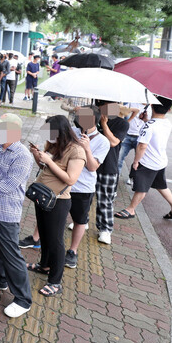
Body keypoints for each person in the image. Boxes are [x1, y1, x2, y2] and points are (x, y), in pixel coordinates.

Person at [0, 113, 33, 318]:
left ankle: (23, 299)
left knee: (11, 255)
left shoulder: (22, 155)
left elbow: (9, 185)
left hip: (6, 210)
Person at [26, 115, 85, 297]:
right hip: (42, 195)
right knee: (43, 234)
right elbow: (45, 168)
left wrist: (49, 160)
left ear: (60, 131)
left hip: (58, 201)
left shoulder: (76, 151)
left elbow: (71, 179)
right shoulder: (53, 144)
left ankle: (55, 281)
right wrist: (38, 156)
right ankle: (44, 265)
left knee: (56, 240)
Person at [64, 106, 110, 269]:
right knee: (54, 216)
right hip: (65, 183)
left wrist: (87, 148)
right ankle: (41, 241)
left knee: (79, 220)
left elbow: (92, 167)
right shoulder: (72, 132)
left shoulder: (103, 141)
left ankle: (73, 251)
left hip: (83, 188)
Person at [116, 97, 172, 220]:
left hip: (149, 162)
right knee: (161, 186)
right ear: (168, 110)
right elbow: (155, 127)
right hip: (161, 160)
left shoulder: (149, 125)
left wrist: (136, 161)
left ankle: (130, 210)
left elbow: (142, 146)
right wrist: (147, 120)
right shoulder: (167, 123)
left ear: (151, 105)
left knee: (142, 186)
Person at [94, 100, 130, 244]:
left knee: (106, 201)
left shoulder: (122, 123)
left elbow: (114, 142)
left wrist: (103, 124)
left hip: (108, 167)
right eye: (106, 104)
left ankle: (106, 229)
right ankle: (81, 222)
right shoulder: (92, 117)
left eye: (114, 103)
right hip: (90, 164)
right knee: (84, 198)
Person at [117, 102, 149, 181]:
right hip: (127, 135)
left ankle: (132, 178)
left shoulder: (151, 108)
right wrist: (128, 120)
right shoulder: (132, 103)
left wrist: (145, 119)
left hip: (140, 137)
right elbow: (122, 110)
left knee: (139, 161)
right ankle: (115, 179)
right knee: (119, 158)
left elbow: (151, 123)